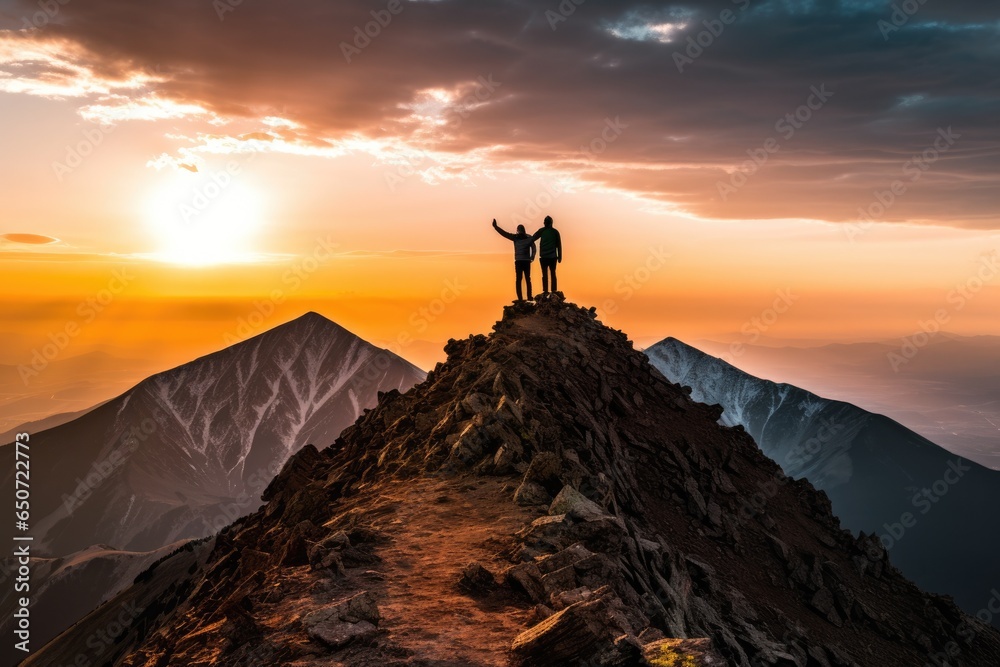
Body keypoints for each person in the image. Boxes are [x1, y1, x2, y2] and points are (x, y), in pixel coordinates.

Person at [492, 219, 536, 301]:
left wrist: (496, 227)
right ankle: (529, 297)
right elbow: (534, 247)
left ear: (518, 231)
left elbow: (504, 233)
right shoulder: (528, 237)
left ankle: (520, 299)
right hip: (526, 261)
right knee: (527, 279)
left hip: (519, 261)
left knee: (519, 280)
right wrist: (532, 257)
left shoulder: (515, 237)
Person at [532, 215, 562, 293]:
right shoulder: (554, 232)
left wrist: (524, 240)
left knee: (546, 274)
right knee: (551, 273)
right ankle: (552, 290)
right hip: (551, 257)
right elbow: (559, 245)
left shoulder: (543, 231)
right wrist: (559, 257)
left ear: (545, 223)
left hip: (546, 256)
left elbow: (533, 238)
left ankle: (547, 290)